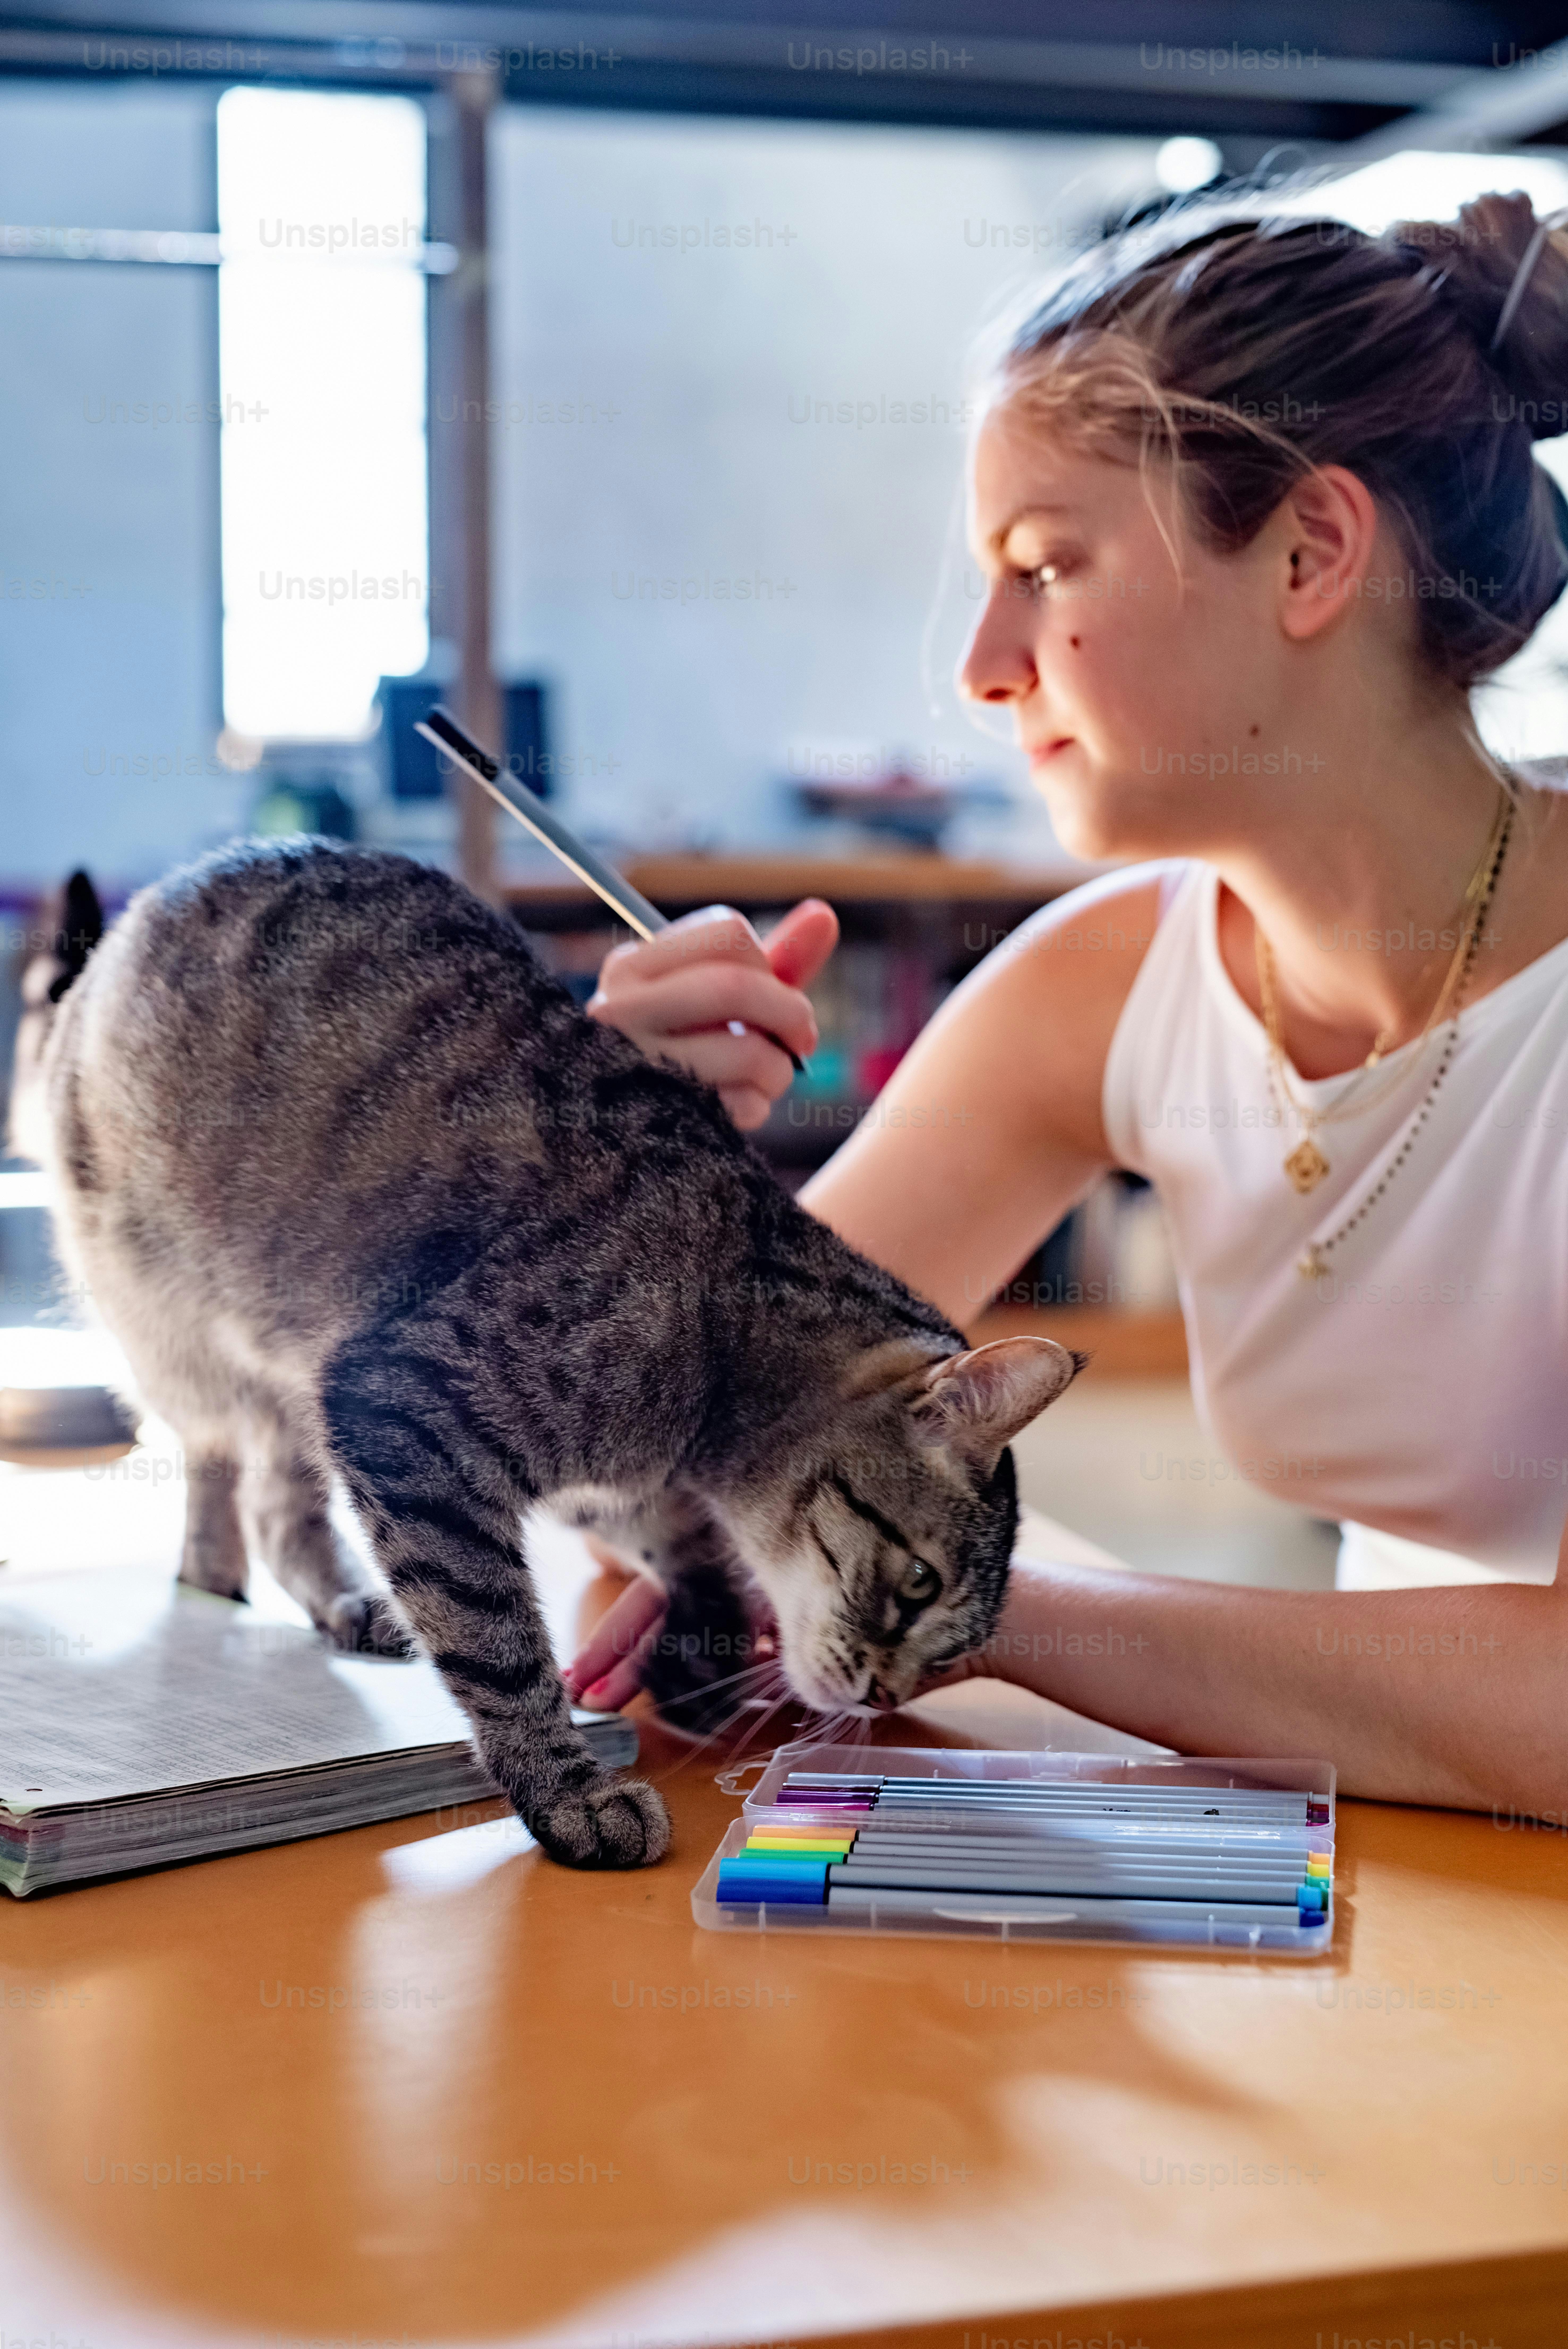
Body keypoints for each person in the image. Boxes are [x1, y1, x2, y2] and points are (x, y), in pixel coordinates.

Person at [566, 189, 1568, 1818]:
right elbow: (692, 1487)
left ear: (1310, 553)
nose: (976, 663)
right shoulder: (1106, 980)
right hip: (1435, 1866)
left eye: (1045, 566)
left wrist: (975, 1602)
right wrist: (607, 1179)